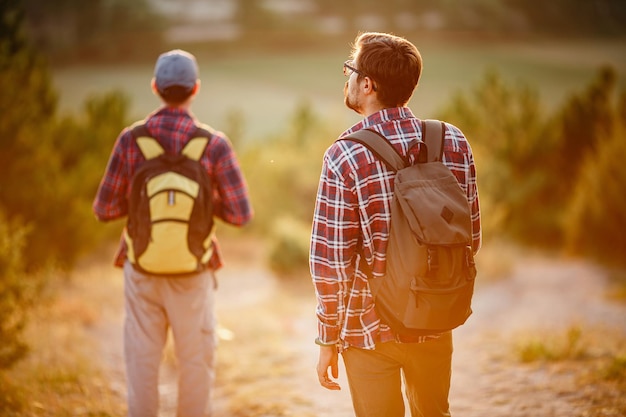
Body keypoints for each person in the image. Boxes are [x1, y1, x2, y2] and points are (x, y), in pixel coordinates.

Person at [309, 32, 481, 417]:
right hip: (435, 314)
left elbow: (331, 262)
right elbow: (472, 235)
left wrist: (326, 339)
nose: (346, 79)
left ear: (367, 85)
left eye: (349, 71)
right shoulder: (451, 140)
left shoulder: (345, 155)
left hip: (368, 327)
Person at [93, 49, 253, 417]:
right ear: (195, 89)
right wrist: (199, 206)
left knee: (142, 366)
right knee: (195, 363)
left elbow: (103, 209)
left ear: (155, 87)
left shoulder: (131, 140)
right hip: (194, 271)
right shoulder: (214, 145)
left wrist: (143, 206)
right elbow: (241, 214)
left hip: (142, 271)